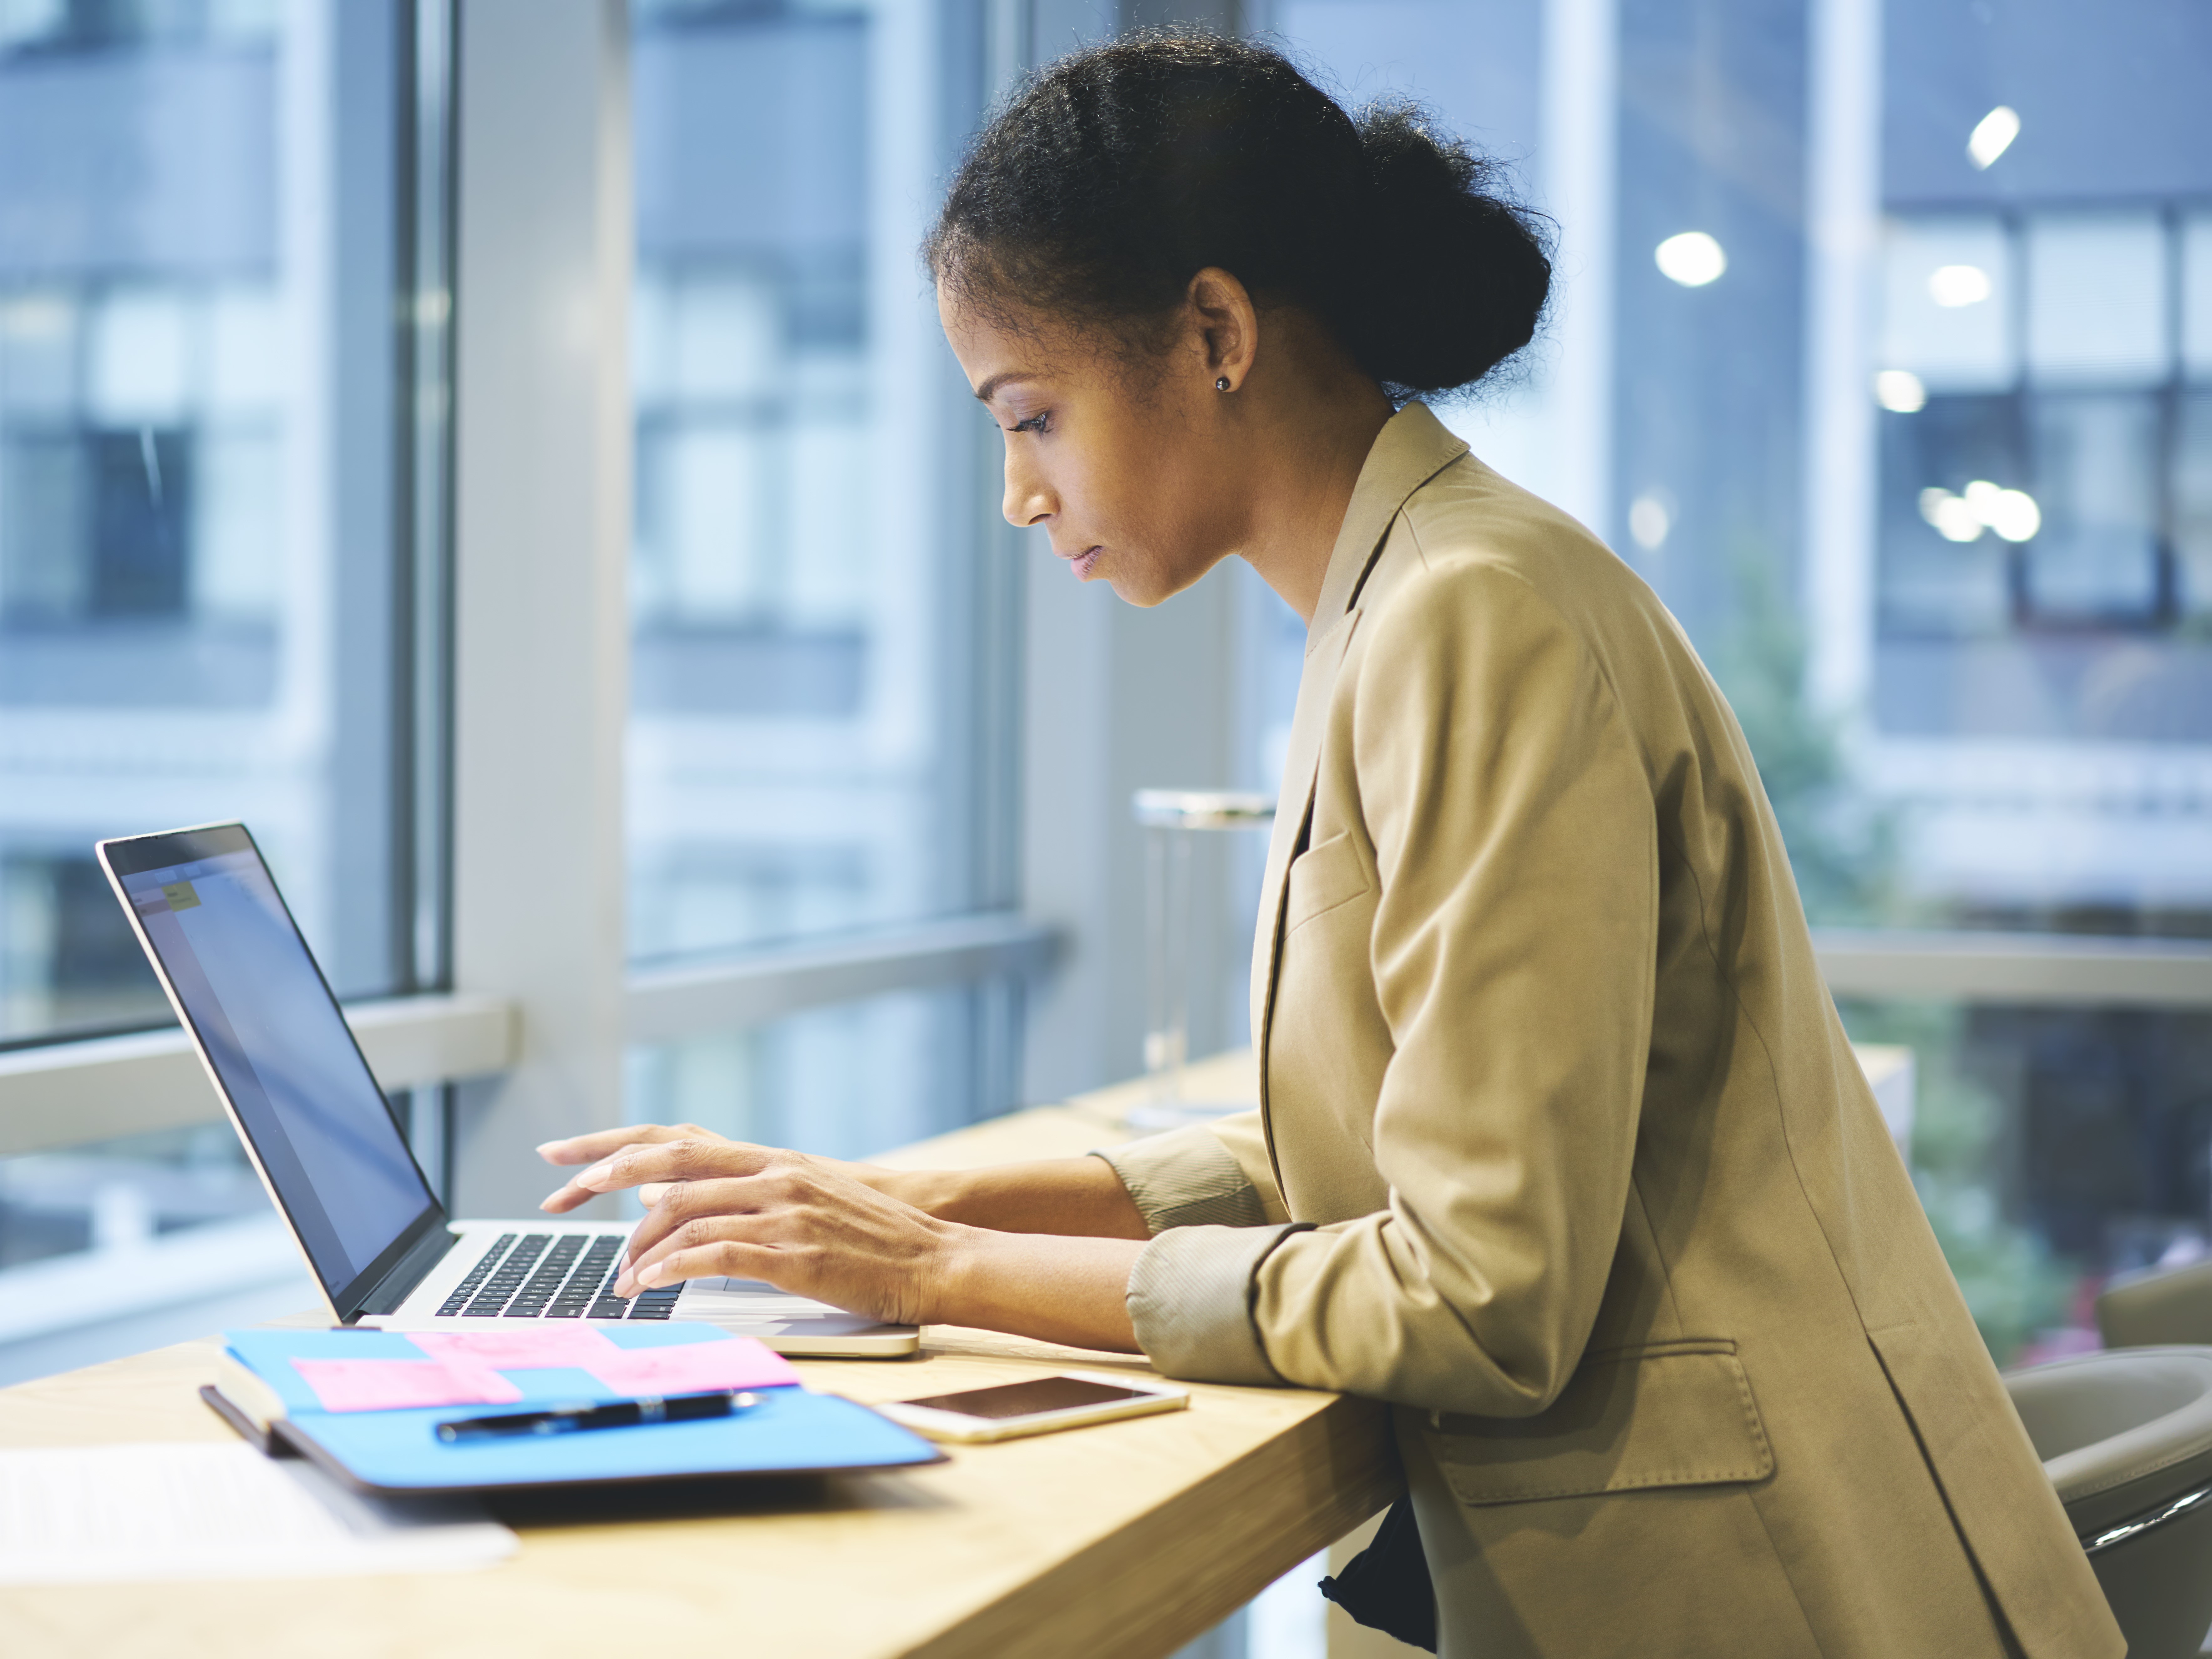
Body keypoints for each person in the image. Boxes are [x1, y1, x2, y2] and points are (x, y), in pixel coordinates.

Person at [539, 34, 2120, 1659]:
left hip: (1750, 1588)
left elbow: (1478, 1291)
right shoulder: (1407, 594)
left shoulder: (1472, 616)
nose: (1020, 493)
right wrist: (875, 1203)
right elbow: (1368, 1140)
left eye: (1033, 416)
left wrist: (941, 1267)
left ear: (1215, 332)